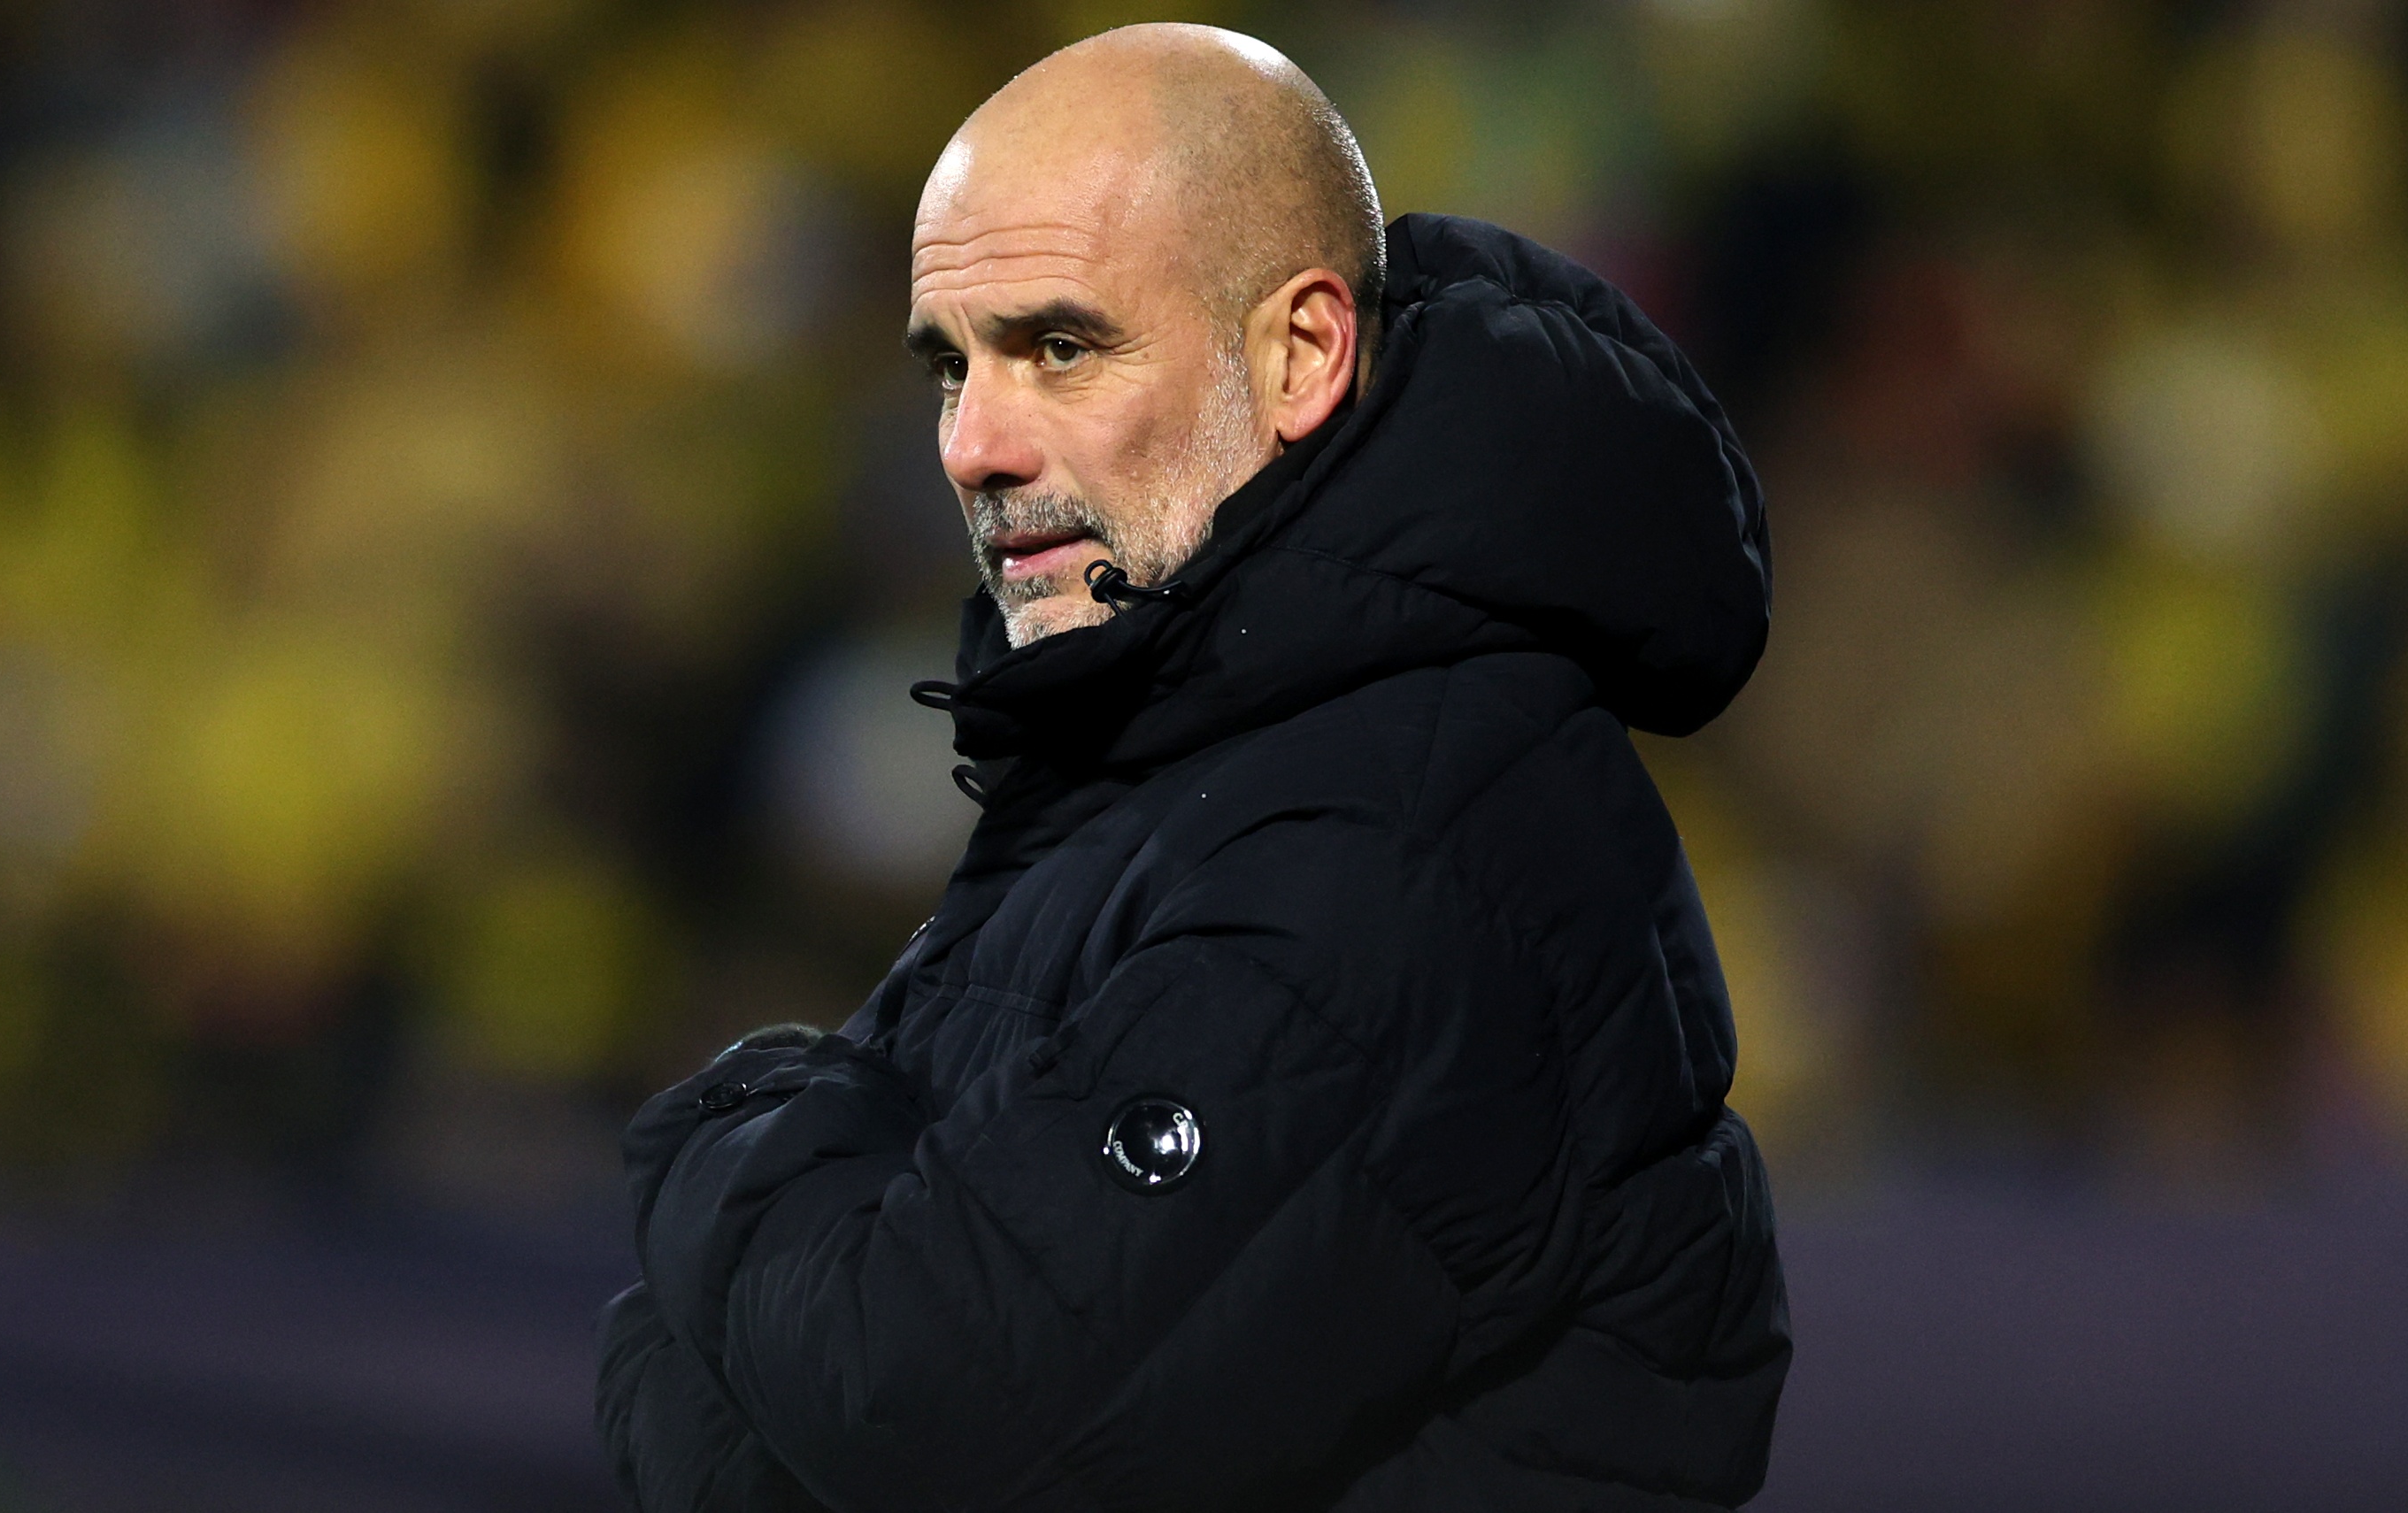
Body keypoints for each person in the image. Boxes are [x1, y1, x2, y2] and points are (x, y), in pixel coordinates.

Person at [596, 23, 1788, 1512]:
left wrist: (722, 1118)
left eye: (1061, 346)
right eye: (949, 367)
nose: (972, 443)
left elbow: (908, 1407)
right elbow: (721, 1379)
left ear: (1298, 355)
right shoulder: (1182, 738)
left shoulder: (1389, 839)